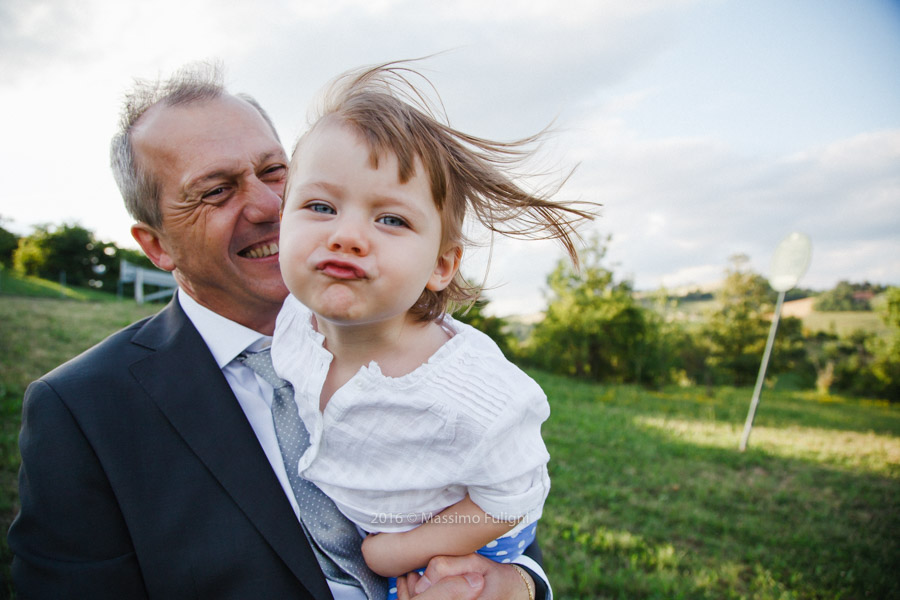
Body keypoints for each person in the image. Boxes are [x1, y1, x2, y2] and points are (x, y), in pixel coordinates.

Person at [6, 62, 551, 600]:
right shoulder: (82, 410)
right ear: (157, 246)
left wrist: (514, 585)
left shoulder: (419, 337)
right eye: (216, 190)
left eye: (274, 172)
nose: (270, 206)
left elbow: (495, 494)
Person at [271, 62, 595, 599]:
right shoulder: (292, 322)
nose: (347, 235)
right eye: (320, 206)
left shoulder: (468, 387)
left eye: (391, 219)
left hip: (460, 542)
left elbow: (513, 493)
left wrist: (397, 549)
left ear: (442, 265)